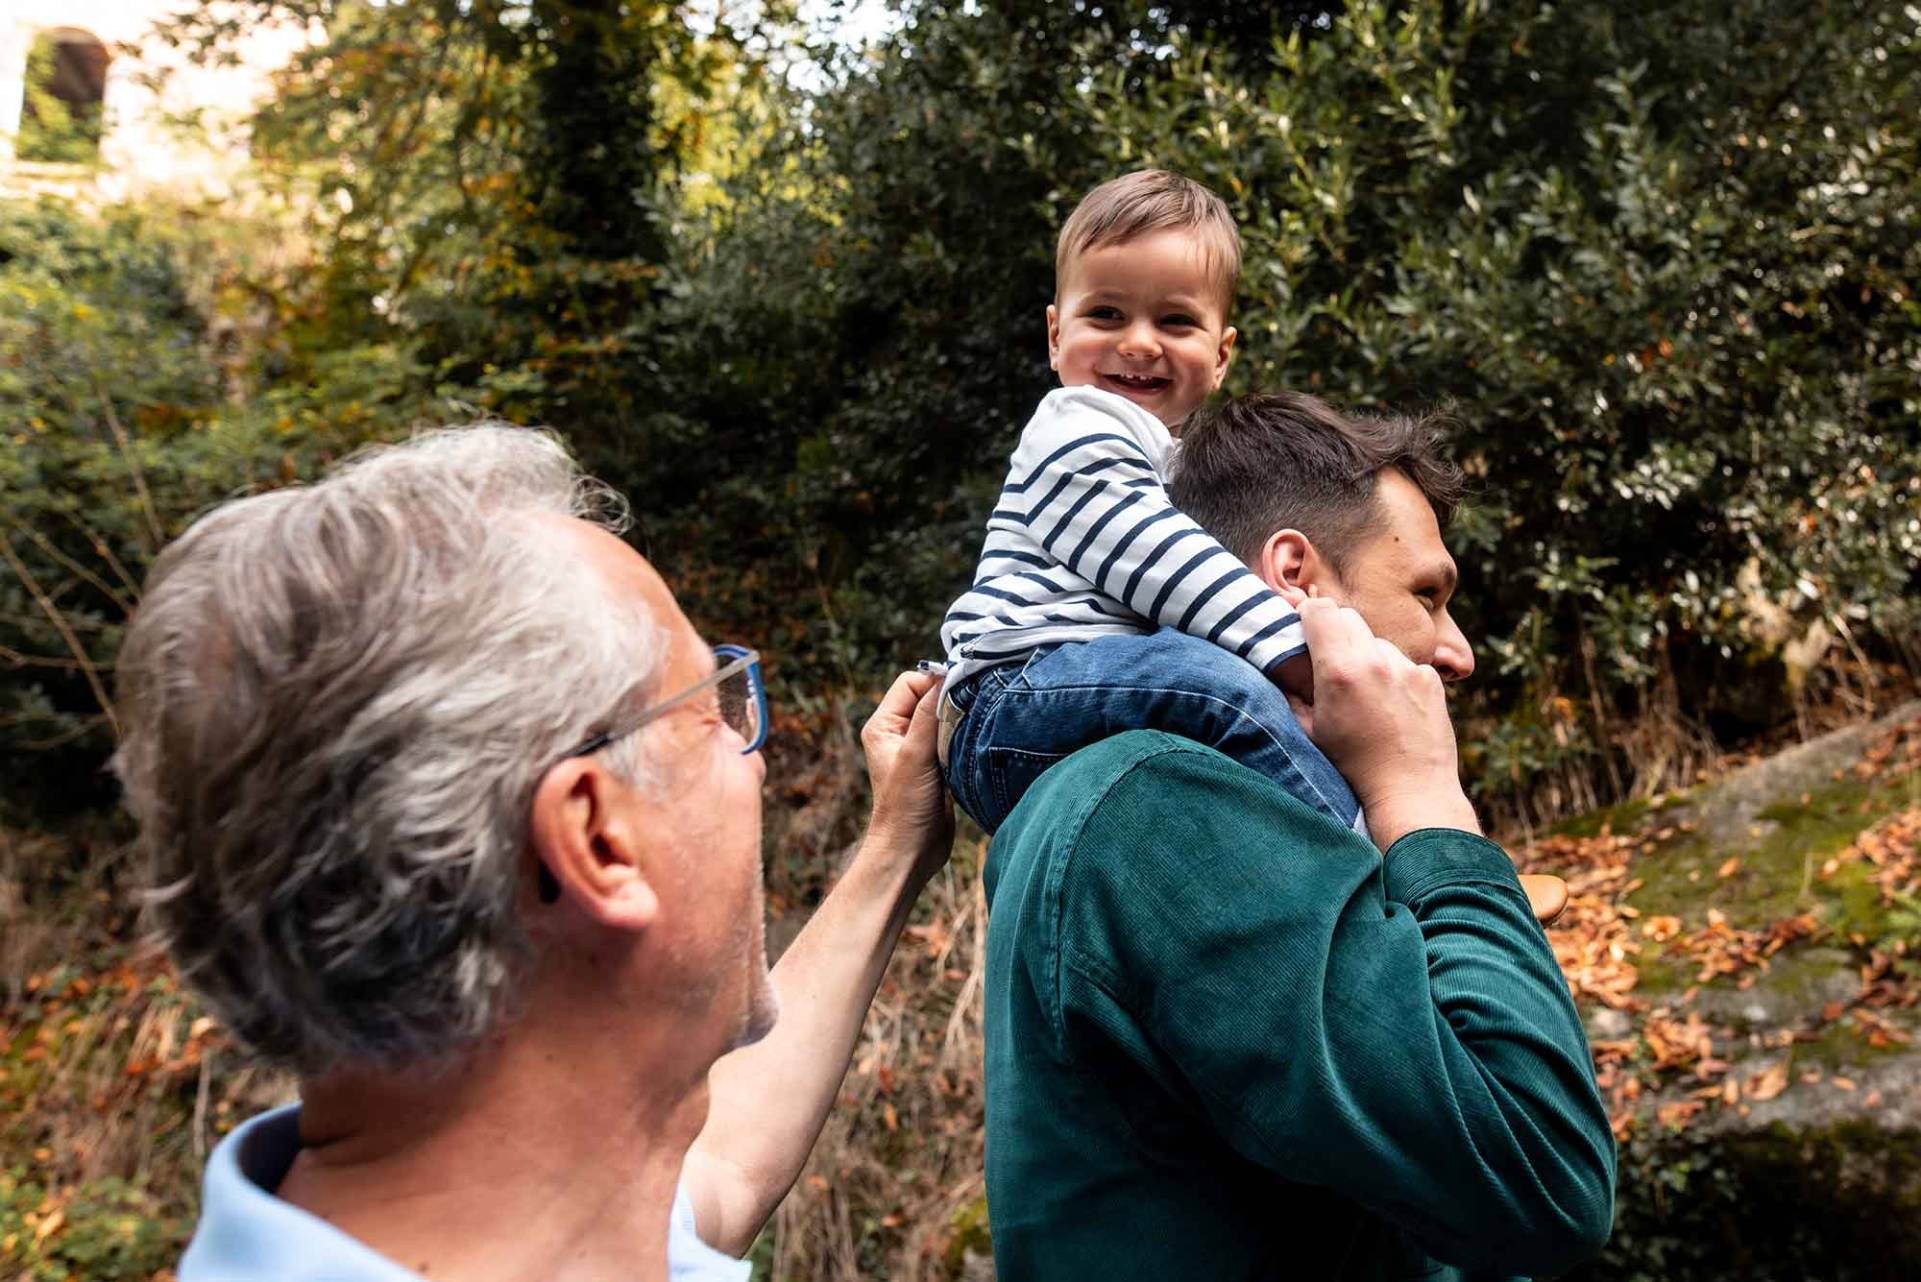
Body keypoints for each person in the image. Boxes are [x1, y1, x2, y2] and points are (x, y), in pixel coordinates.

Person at [111, 426, 955, 1282]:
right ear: (594, 837)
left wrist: (895, 847)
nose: (756, 755)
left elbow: (725, 1173)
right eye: (714, 705)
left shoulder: (562, 1215)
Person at [980, 393, 1614, 1281]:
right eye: (1427, 595)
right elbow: (1541, 1174)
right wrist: (1424, 792)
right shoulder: (1165, 807)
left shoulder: (1166, 799)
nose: (1458, 650)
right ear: (1296, 577)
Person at [935, 169, 1565, 921]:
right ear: (1054, 333)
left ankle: (1420, 870)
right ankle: (1406, 882)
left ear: (1222, 351)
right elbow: (1153, 557)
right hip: (1018, 693)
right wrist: (1299, 658)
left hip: (1051, 700)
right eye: (1105, 314)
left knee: (1222, 694)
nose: (1137, 343)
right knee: (1220, 687)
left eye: (1174, 322)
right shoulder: (1073, 428)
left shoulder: (1158, 462)